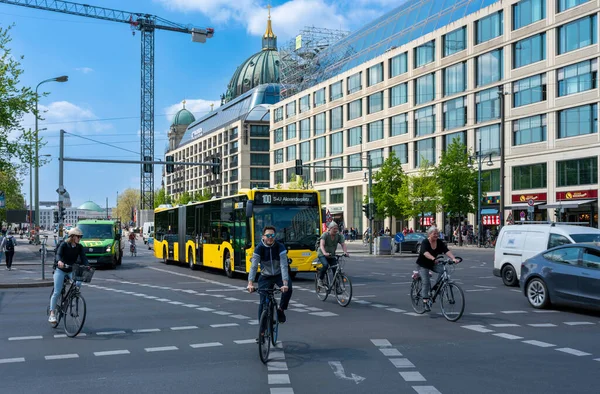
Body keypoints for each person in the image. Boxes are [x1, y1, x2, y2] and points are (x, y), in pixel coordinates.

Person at [247, 226, 292, 325]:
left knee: (289, 288)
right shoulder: (259, 248)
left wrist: (285, 283)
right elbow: (254, 267)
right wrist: (250, 283)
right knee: (263, 303)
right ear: (263, 237)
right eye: (268, 235)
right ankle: (262, 332)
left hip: (279, 274)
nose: (270, 237)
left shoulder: (280, 247)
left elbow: (284, 265)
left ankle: (281, 309)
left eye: (272, 235)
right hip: (265, 276)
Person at [49, 227, 89, 324]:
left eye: (80, 237)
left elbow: (84, 257)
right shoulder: (64, 245)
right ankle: (52, 314)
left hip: (71, 269)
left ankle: (73, 297)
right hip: (61, 269)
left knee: (78, 282)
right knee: (57, 292)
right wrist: (59, 261)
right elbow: (58, 254)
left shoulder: (79, 247)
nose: (79, 238)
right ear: (72, 236)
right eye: (78, 237)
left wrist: (87, 265)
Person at [416, 226, 459, 312]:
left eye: (437, 234)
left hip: (433, 263)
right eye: (434, 233)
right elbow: (425, 253)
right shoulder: (425, 242)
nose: (436, 235)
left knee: (444, 270)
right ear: (429, 234)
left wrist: (453, 258)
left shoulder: (439, 242)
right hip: (423, 264)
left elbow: (446, 250)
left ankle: (437, 287)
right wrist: (433, 258)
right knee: (426, 282)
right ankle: (425, 301)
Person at [316, 221, 349, 287]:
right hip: (322, 254)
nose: (336, 230)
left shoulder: (338, 236)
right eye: (334, 229)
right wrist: (325, 253)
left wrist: (345, 252)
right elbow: (322, 245)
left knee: (336, 268)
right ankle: (320, 280)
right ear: (330, 228)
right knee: (325, 265)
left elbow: (343, 244)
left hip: (331, 254)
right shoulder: (325, 235)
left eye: (337, 228)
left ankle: (336, 286)